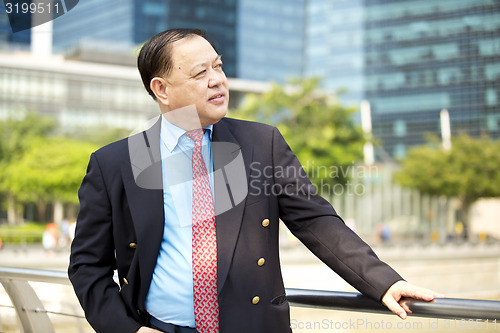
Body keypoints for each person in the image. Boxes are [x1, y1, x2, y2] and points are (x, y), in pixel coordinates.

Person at [68, 28, 439, 333]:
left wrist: (383, 281)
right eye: (200, 73)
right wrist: (127, 332)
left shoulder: (262, 143)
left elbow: (316, 221)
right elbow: (87, 264)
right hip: (159, 328)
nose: (217, 80)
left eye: (218, 66)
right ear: (162, 90)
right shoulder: (115, 162)